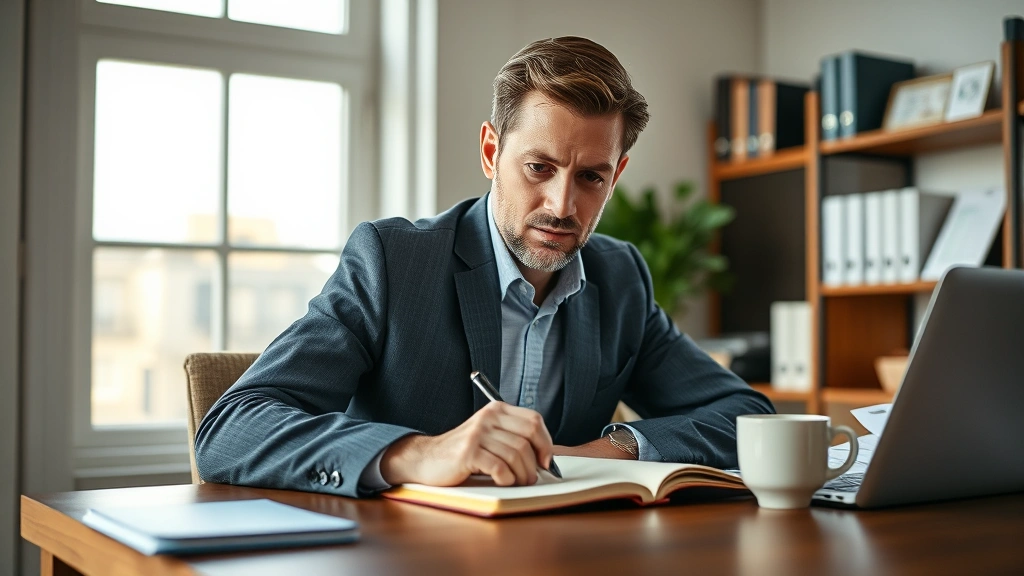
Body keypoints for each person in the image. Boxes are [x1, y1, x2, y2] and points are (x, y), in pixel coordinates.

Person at [195, 36, 774, 498]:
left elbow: (748, 416)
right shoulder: (393, 261)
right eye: (539, 167)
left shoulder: (620, 277)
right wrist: (421, 453)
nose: (562, 206)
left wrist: (610, 450)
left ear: (616, 175)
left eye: (590, 177)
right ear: (492, 151)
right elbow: (231, 428)